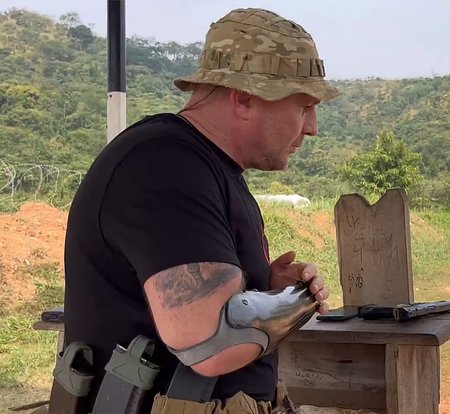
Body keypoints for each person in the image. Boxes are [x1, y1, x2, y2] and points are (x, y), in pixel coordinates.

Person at [62, 7, 340, 414]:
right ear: (244, 97)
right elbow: (214, 340)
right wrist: (300, 300)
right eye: (304, 107)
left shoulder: (205, 167)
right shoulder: (165, 166)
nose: (312, 127)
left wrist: (263, 286)